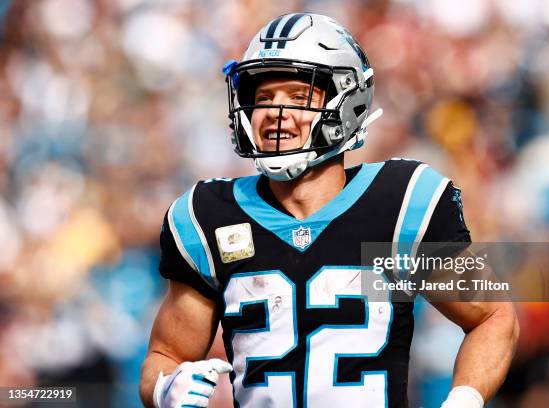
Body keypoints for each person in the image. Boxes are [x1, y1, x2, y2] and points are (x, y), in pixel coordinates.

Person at [139, 13, 519, 408]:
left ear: (346, 101)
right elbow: (166, 355)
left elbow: (491, 317)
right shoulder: (212, 216)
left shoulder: (397, 206)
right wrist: (165, 387)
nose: (274, 112)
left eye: (297, 96)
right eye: (263, 97)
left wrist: (464, 400)